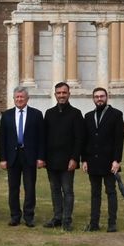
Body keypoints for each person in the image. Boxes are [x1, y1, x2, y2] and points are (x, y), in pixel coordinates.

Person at [0, 86, 44, 228]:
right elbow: (2, 139)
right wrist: (3, 159)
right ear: (13, 99)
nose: (19, 99)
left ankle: (29, 216)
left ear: (27, 98)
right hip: (12, 156)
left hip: (30, 155)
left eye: (22, 97)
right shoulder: (7, 115)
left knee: (30, 187)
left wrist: (41, 157)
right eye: (17, 97)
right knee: (13, 188)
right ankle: (15, 216)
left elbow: (41, 138)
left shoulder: (36, 115)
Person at [42, 82, 85, 231]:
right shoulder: (49, 113)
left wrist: (74, 158)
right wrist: (43, 158)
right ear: (55, 95)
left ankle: (67, 219)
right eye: (59, 93)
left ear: (69, 94)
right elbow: (44, 138)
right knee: (54, 190)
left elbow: (79, 139)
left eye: (64, 93)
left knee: (67, 190)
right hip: (51, 160)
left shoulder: (76, 114)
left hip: (68, 161)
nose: (61, 95)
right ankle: (57, 217)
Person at [82, 87, 124, 233]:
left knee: (111, 192)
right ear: (93, 99)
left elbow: (119, 140)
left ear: (107, 97)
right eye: (96, 97)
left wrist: (116, 160)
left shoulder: (116, 115)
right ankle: (94, 223)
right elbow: (85, 140)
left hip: (109, 162)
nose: (99, 99)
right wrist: (84, 160)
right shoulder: (88, 116)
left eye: (101, 96)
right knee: (95, 194)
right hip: (93, 161)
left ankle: (112, 223)